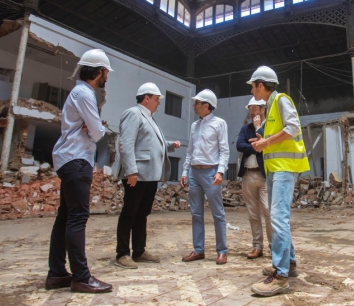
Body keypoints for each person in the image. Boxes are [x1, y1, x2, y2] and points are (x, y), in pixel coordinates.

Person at [46, 49, 114, 293]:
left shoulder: (79, 92)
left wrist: (90, 127)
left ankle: (56, 274)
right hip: (77, 160)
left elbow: (92, 128)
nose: (107, 76)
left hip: (68, 159)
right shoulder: (85, 94)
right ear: (98, 72)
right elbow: (97, 133)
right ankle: (82, 277)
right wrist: (92, 128)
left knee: (65, 217)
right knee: (77, 218)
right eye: (106, 72)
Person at [247, 66, 310, 297]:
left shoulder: (282, 100)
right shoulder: (272, 105)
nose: (252, 90)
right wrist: (265, 140)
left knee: (278, 218)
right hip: (275, 169)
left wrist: (266, 142)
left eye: (253, 86)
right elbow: (280, 135)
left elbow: (293, 128)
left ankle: (281, 276)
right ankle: (289, 265)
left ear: (261, 85)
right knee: (277, 218)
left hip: (284, 169)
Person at [114, 83, 181, 269]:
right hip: (137, 174)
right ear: (146, 98)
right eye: (157, 99)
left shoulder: (149, 118)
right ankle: (122, 253)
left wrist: (169, 145)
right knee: (129, 212)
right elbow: (126, 144)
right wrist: (131, 171)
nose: (159, 103)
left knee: (142, 213)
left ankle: (139, 250)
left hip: (150, 175)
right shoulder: (133, 114)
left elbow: (151, 143)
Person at [180, 89, 230, 265]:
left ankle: (222, 251)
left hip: (211, 172)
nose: (194, 106)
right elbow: (190, 151)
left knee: (218, 213)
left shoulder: (219, 124)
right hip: (194, 172)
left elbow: (224, 150)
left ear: (206, 105)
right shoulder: (195, 126)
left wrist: (220, 172)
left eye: (197, 103)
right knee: (196, 213)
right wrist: (185, 171)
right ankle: (198, 250)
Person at [236, 97, 271, 259]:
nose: (251, 113)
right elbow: (239, 145)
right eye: (250, 109)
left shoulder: (270, 127)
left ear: (263, 109)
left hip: (265, 175)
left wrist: (258, 129)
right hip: (248, 175)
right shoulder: (245, 128)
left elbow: (268, 146)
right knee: (253, 213)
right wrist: (257, 145)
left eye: (254, 109)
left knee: (268, 211)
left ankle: (274, 247)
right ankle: (257, 246)